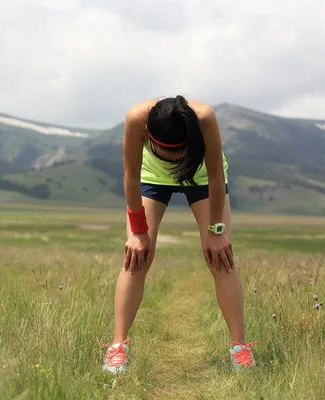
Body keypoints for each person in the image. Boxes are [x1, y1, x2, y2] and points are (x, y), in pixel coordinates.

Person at [102, 95, 259, 374]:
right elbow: (131, 175)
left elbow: (214, 177)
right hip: (151, 178)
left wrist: (216, 231)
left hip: (201, 176)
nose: (174, 162)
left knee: (220, 256)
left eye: (180, 154)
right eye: (168, 155)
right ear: (149, 135)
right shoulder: (136, 118)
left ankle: (240, 349)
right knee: (136, 257)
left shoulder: (205, 118)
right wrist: (138, 232)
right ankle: (117, 348)